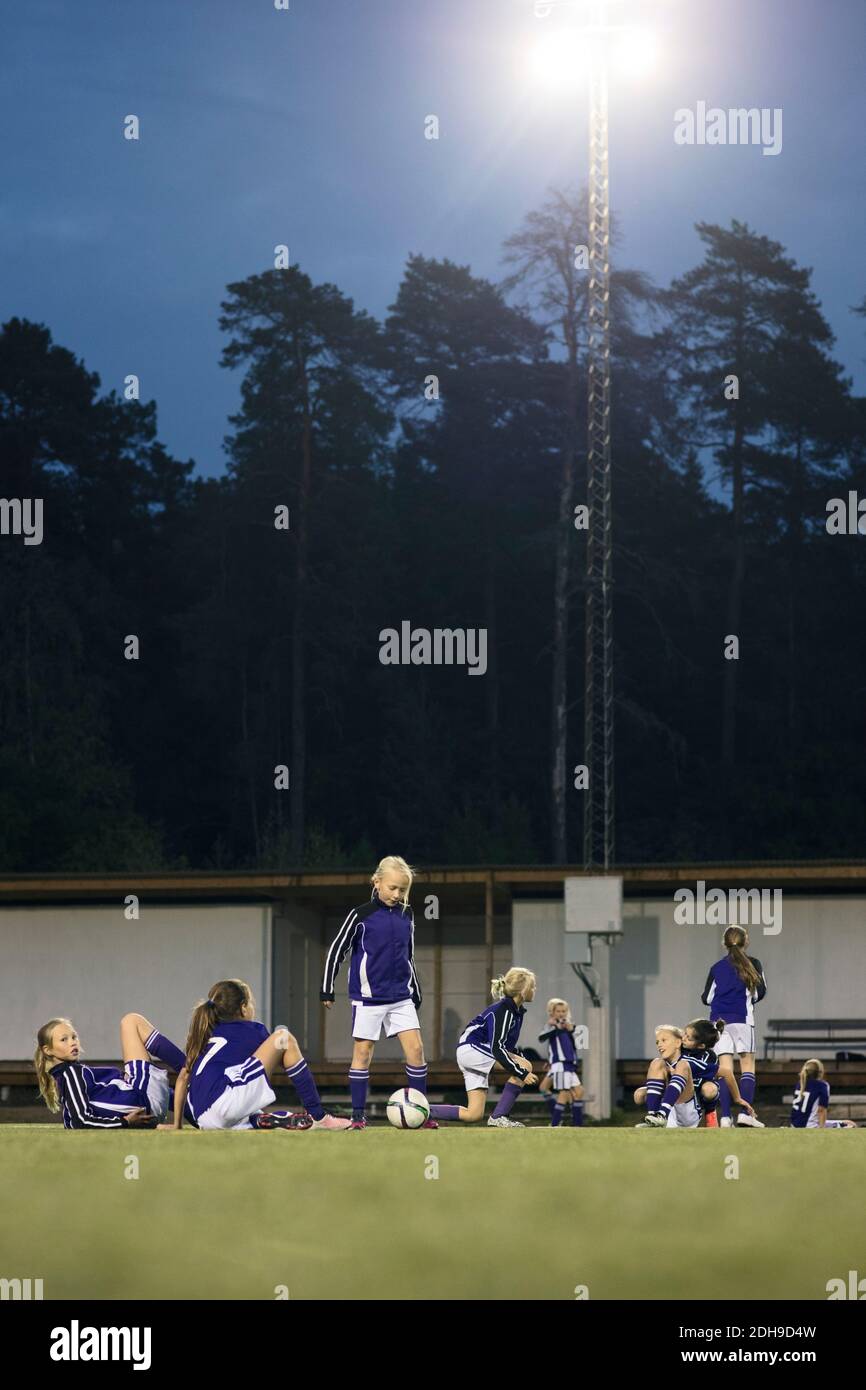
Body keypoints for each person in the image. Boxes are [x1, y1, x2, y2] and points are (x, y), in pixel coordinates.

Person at [322, 856, 434, 1130]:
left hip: (400, 997)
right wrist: (327, 988)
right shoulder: (360, 915)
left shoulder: (407, 915)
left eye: (403, 890)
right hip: (368, 999)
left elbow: (409, 956)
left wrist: (415, 990)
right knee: (363, 1053)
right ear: (377, 882)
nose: (397, 895)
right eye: (393, 888)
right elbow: (337, 950)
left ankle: (423, 1115)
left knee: (417, 1050)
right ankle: (358, 1117)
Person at [164, 979, 349, 1131]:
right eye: (250, 1003)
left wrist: (177, 1125)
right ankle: (319, 1116)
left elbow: (182, 1079)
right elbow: (281, 1058)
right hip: (224, 1102)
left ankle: (260, 1120)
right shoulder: (253, 1029)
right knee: (284, 1038)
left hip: (202, 1118)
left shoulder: (204, 1036)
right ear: (243, 1008)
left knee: (246, 1104)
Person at [428, 968, 538, 1128]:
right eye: (533, 987)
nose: (535, 990)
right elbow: (497, 1048)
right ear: (522, 991)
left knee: (473, 1114)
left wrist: (517, 1062)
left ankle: (423, 1111)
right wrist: (521, 1072)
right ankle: (499, 1116)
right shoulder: (504, 1010)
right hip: (472, 1049)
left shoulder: (514, 1011)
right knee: (525, 1066)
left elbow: (503, 1046)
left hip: (471, 1052)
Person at [35, 1012, 184, 1129]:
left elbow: (73, 1120)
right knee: (130, 1021)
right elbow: (79, 1121)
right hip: (143, 1102)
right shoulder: (70, 1073)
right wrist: (125, 1122)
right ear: (48, 1050)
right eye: (64, 1039)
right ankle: (193, 1071)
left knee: (131, 1079)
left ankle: (192, 1104)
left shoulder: (68, 1075)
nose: (73, 1042)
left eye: (74, 1037)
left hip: (144, 1112)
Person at [702, 926, 767, 1127]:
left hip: (719, 1024)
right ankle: (746, 1114)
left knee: (724, 1069)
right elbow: (760, 993)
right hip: (742, 1020)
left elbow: (707, 998)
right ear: (746, 942)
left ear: (725, 943)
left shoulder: (717, 967)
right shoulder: (753, 964)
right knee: (747, 1067)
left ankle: (725, 1117)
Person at [538, 998, 584, 1126]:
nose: (561, 1013)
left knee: (579, 1092)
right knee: (563, 1093)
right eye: (558, 1011)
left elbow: (576, 1042)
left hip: (568, 1064)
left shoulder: (569, 1025)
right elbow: (542, 1038)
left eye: (564, 1011)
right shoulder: (551, 1025)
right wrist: (555, 1027)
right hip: (560, 1064)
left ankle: (577, 1124)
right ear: (552, 1012)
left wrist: (570, 1029)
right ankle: (556, 1123)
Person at [790, 1058, 856, 1129]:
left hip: (795, 1125)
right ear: (820, 1072)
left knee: (848, 1122)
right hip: (811, 1126)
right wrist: (822, 1130)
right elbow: (821, 1110)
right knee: (851, 1125)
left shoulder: (801, 1083)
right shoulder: (822, 1085)